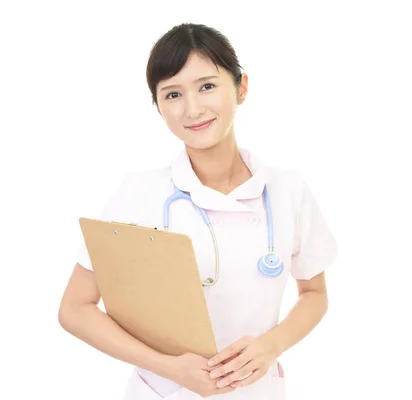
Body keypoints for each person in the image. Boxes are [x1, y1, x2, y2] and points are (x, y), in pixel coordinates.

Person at [57, 23, 338, 399]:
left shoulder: (288, 191)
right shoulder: (139, 194)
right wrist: (169, 367)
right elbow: (75, 308)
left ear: (241, 87)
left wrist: (272, 345)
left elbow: (314, 293)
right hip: (161, 391)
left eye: (207, 86)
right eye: (172, 94)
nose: (192, 109)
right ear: (158, 107)